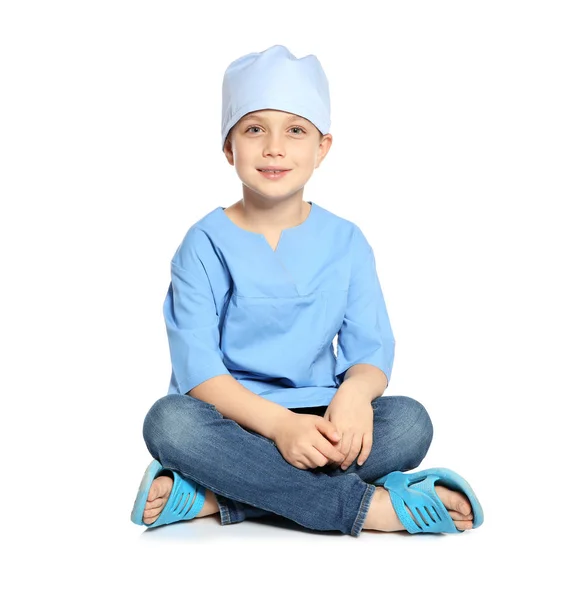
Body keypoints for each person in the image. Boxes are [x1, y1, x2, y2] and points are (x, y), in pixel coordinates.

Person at [130, 44, 484, 537]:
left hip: (325, 422)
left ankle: (218, 496)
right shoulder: (204, 242)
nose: (274, 147)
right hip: (236, 422)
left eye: (296, 130)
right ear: (229, 147)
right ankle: (367, 508)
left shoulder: (346, 242)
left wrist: (357, 396)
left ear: (323, 148)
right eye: (255, 129)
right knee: (170, 425)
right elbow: (198, 369)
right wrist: (279, 427)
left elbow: (370, 351)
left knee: (409, 422)